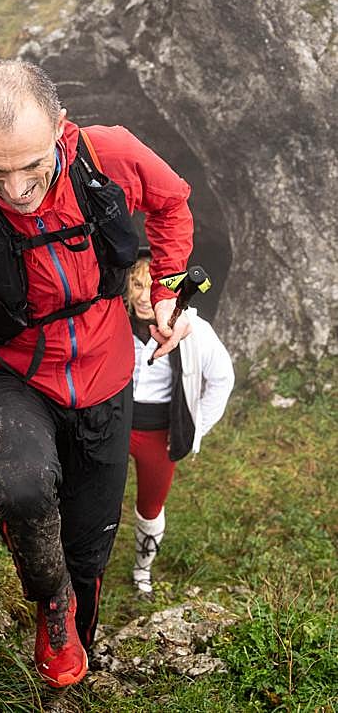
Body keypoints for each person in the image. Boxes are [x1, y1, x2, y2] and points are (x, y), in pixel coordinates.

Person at [0, 59, 194, 688]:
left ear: (60, 126)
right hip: (11, 376)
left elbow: (173, 204)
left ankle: (78, 631)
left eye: (33, 164)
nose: (19, 188)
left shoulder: (108, 156)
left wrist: (165, 287)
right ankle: (51, 605)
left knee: (91, 540)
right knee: (24, 490)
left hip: (107, 374)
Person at [127, 251, 234, 596]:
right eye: (137, 284)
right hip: (112, 425)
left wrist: (195, 428)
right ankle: (83, 560)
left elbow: (222, 378)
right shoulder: (111, 321)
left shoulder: (194, 329)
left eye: (153, 286)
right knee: (92, 497)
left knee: (150, 506)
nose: (144, 295)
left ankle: (142, 569)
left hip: (160, 432)